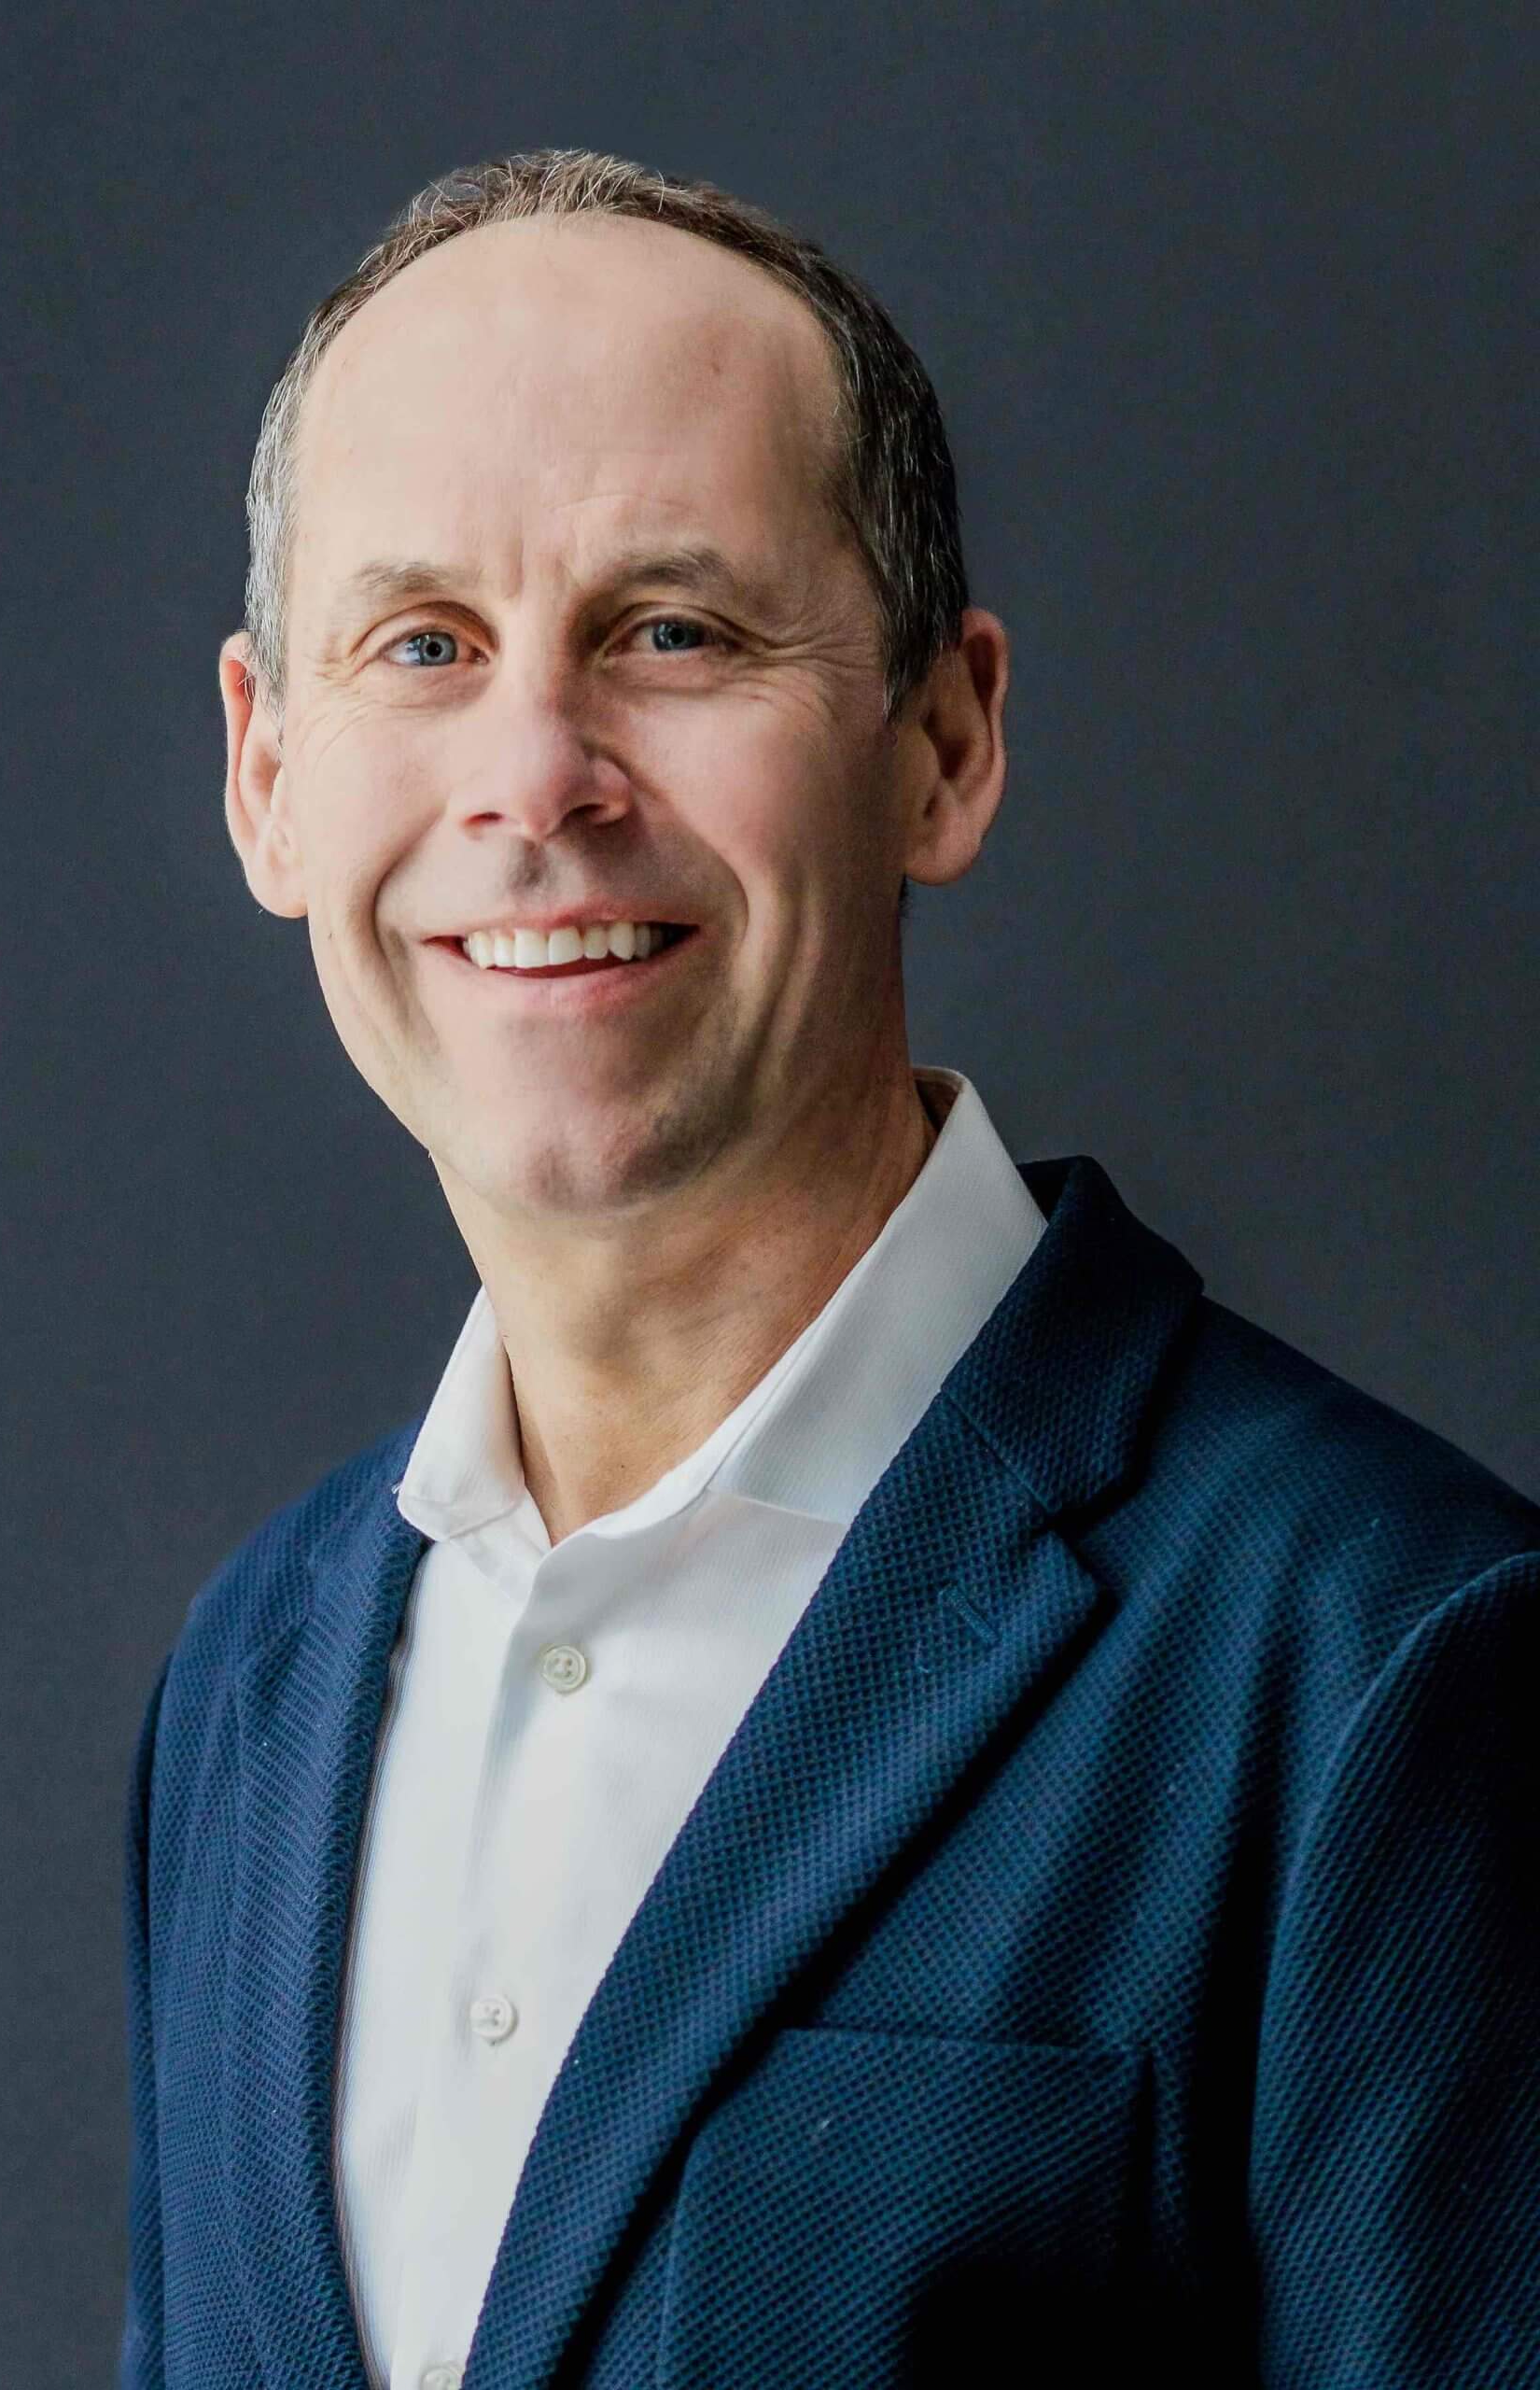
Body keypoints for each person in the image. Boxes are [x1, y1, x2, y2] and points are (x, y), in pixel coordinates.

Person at [119, 148, 1539, 2390]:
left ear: (945, 741)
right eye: (422, 644)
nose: (535, 775)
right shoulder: (248, 1683)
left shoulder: (1382, 1664)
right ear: (268, 774)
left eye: (671, 627)